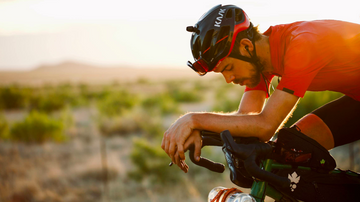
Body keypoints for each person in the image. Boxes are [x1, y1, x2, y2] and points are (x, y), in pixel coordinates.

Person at [161, 4, 360, 173]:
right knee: (289, 148)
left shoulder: (300, 45)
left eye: (228, 68)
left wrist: (193, 120)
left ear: (246, 46)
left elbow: (265, 126)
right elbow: (247, 118)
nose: (229, 79)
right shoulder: (261, 59)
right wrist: (202, 133)